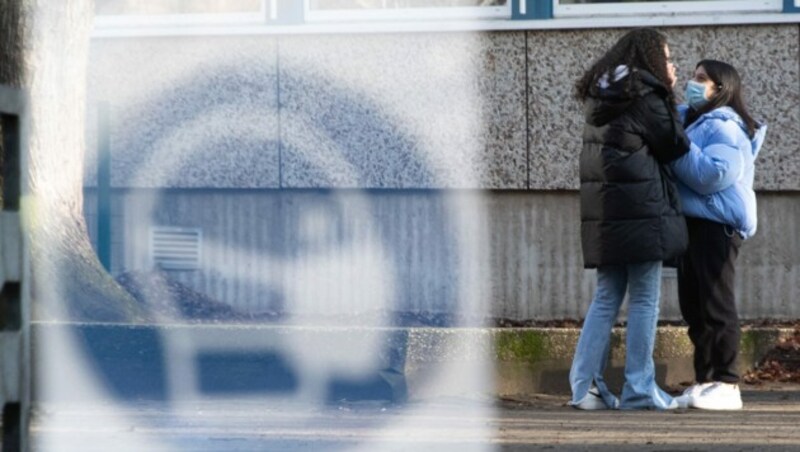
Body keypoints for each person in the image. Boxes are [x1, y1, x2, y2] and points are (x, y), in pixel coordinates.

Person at [569, 28, 690, 410]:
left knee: (606, 297)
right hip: (642, 211)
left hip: (607, 212)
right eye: (668, 59)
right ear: (650, 59)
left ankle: (584, 388)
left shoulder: (602, 93)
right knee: (644, 300)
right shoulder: (646, 94)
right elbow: (674, 144)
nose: (672, 66)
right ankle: (639, 388)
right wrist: (669, 93)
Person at [670, 60, 767, 410]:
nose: (691, 84)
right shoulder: (694, 121)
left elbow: (714, 174)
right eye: (692, 77)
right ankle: (705, 380)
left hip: (717, 226)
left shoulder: (725, 125)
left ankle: (727, 383)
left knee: (716, 304)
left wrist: (676, 148)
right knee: (694, 307)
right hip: (694, 224)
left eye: (700, 80)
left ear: (720, 89)